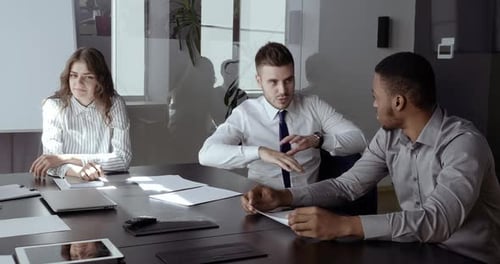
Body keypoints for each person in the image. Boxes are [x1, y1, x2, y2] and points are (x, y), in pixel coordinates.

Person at [240, 52, 500, 263]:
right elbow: (347, 185)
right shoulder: (389, 137)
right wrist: (283, 197)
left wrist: (344, 225)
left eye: (376, 97)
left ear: (398, 102)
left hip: (467, 257)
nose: (374, 104)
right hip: (416, 248)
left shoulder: (464, 144)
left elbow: (438, 221)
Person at [199, 42, 366, 188]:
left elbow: (359, 139)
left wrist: (317, 140)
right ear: (259, 81)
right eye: (273, 82)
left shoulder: (313, 105)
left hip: (307, 203)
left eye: (288, 80)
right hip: (263, 204)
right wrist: (260, 152)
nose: (283, 90)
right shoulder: (246, 113)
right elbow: (206, 154)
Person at [30, 47, 132, 181]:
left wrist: (66, 158)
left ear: (100, 81)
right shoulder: (54, 106)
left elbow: (123, 159)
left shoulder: (114, 104)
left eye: (88, 77)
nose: (78, 83)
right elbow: (50, 162)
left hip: (105, 182)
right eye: (73, 75)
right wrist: (80, 171)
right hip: (65, 183)